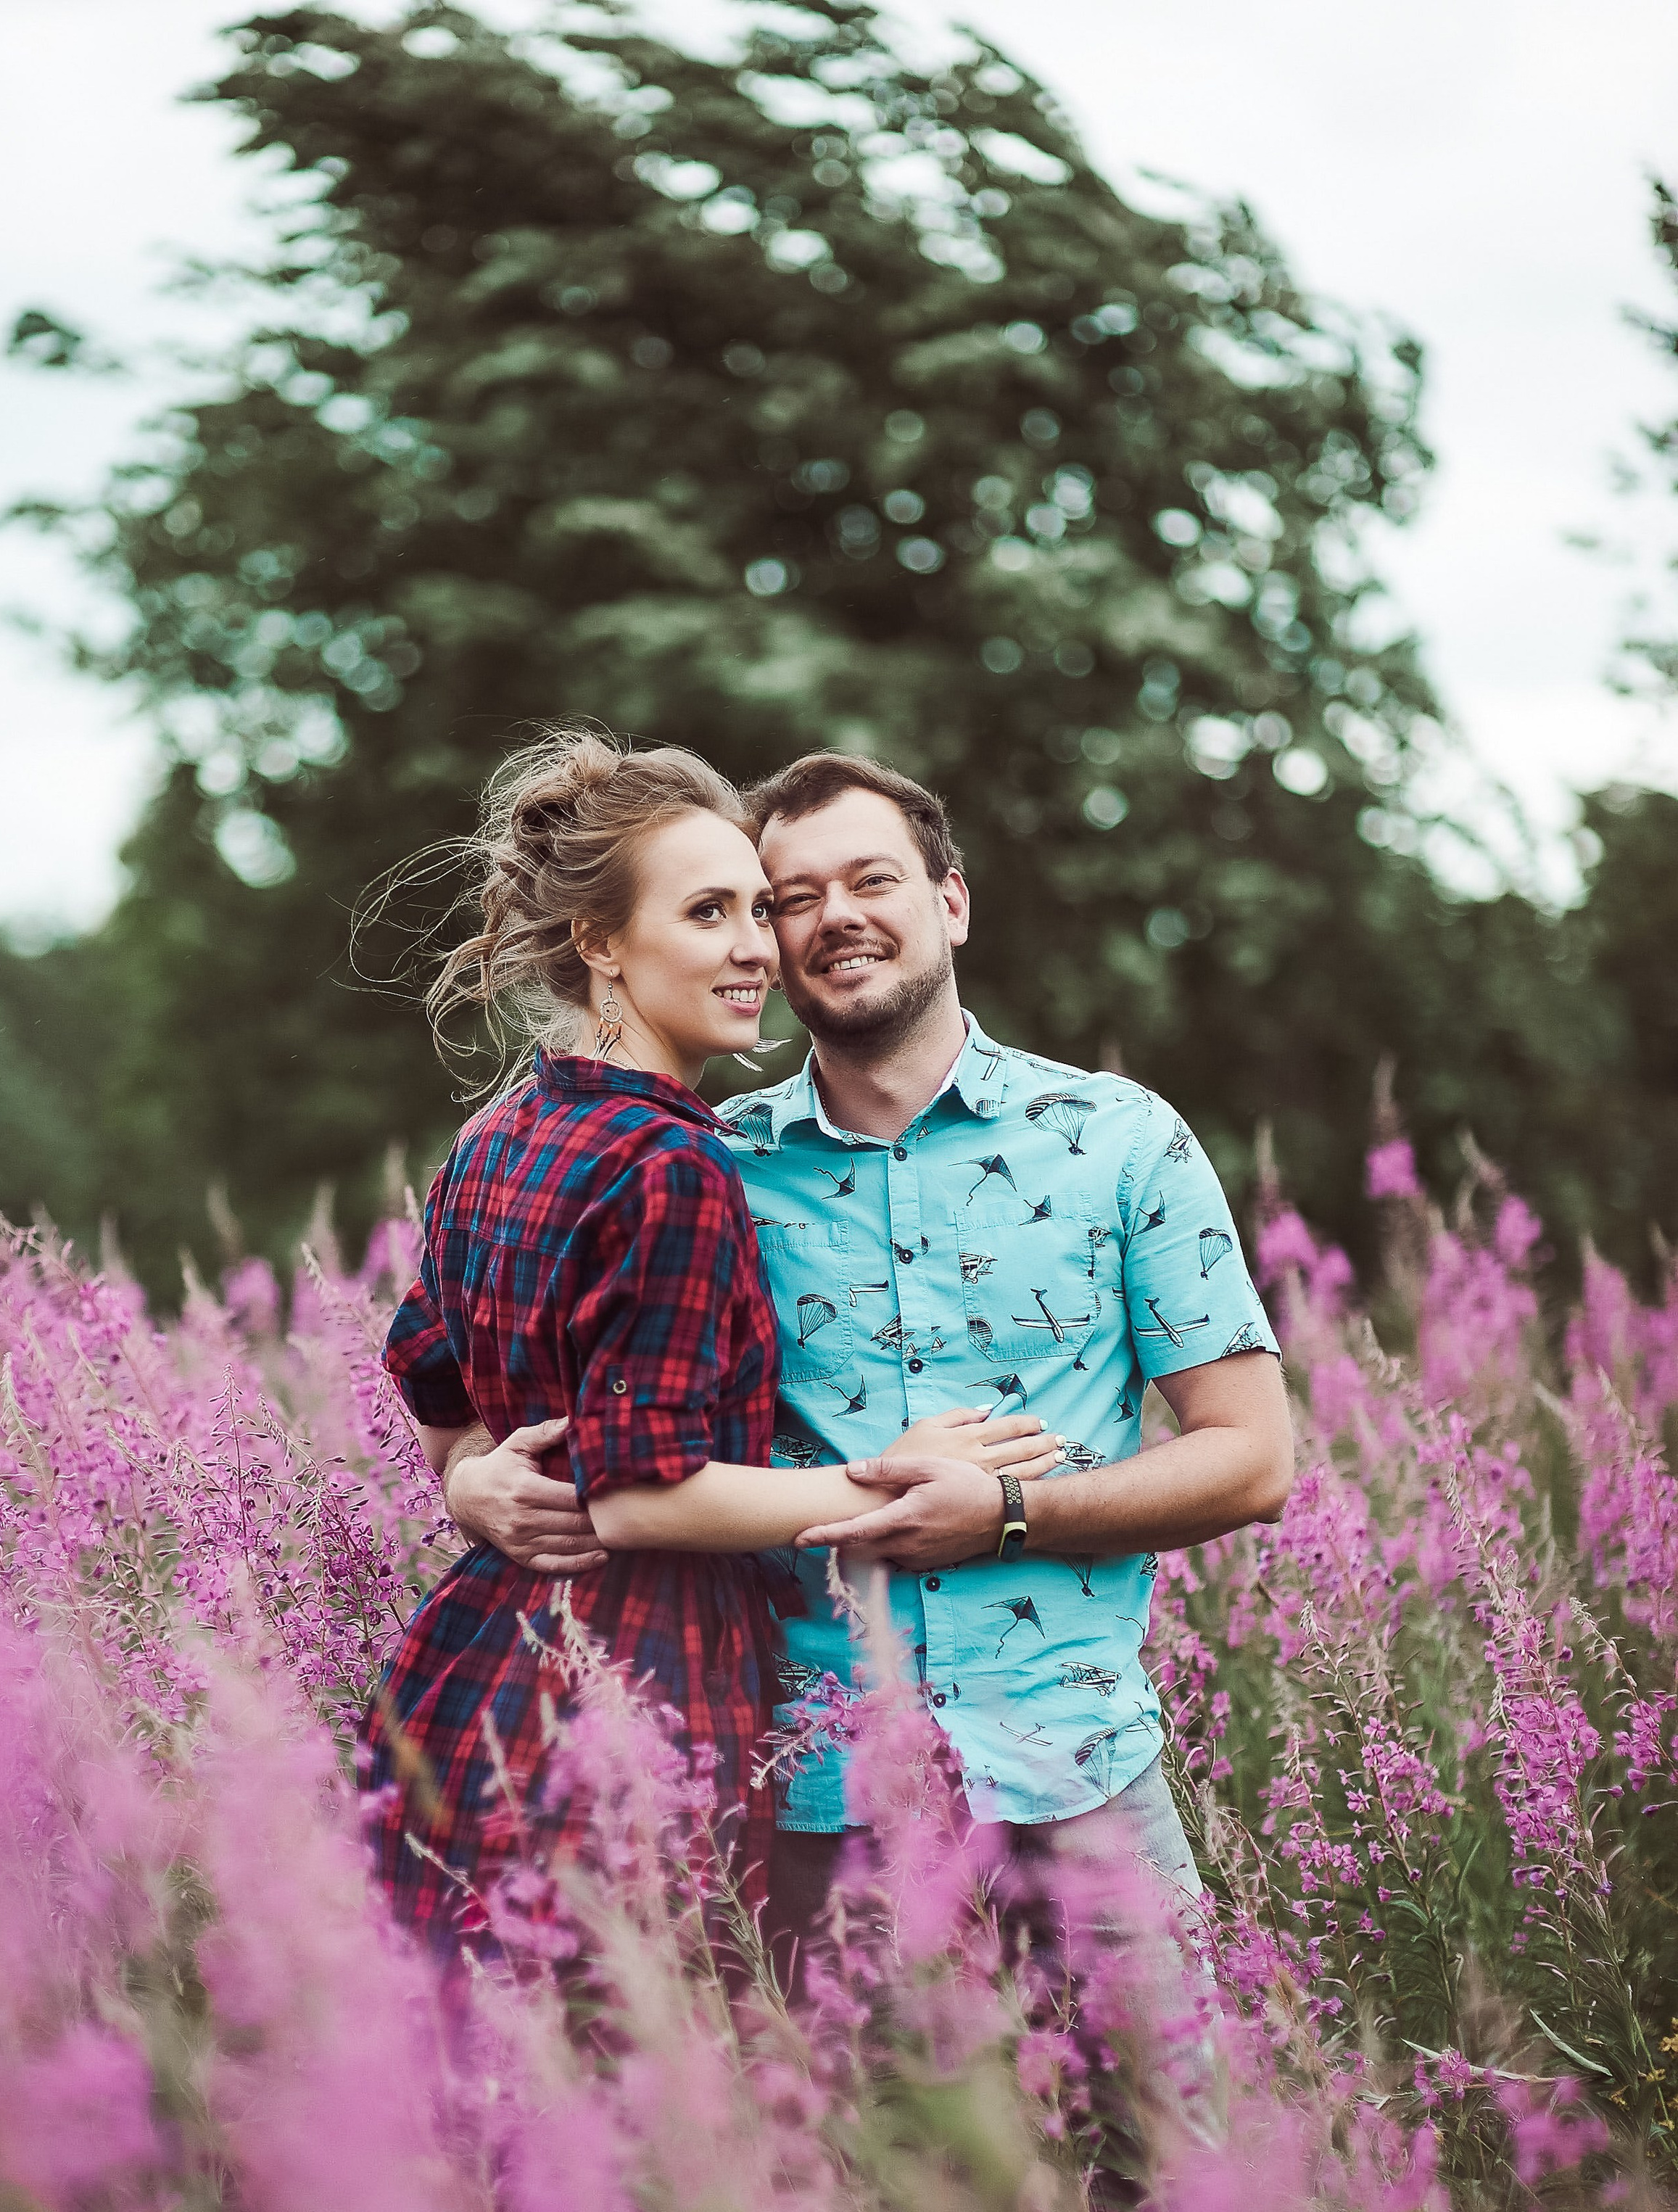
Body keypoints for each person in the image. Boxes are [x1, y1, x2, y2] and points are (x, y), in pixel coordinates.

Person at [447, 750, 1295, 2000]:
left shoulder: (1121, 1140)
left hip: (1078, 1770)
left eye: (873, 879)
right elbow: (510, 1393)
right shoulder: (704, 1166)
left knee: (1174, 2175)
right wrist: (472, 1482)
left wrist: (1008, 1513)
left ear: (949, 902)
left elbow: (1253, 1456)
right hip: (812, 1798)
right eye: (789, 897)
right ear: (764, 940)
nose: (835, 914)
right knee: (865, 2186)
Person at [358, 733, 1059, 1954]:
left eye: (757, 909)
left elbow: (432, 1394)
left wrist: (478, 1488)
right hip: (630, 1696)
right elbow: (639, 1500)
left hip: (469, 1675)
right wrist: (886, 1478)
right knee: (648, 2104)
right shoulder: (674, 1161)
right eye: (707, 913)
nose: (757, 950)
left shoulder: (498, 1133)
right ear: (600, 943)